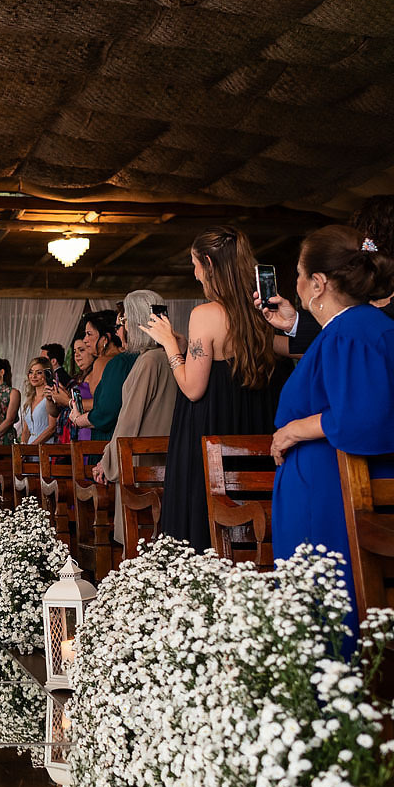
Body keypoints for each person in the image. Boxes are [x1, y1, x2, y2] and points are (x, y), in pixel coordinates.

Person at [270, 226, 394, 636]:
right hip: (324, 490)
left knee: (326, 616)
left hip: (329, 500)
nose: (297, 286)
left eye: (300, 276)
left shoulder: (352, 330)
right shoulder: (353, 327)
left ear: (318, 283)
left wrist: (292, 431)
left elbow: (362, 418)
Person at [142, 225, 281, 552]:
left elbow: (193, 388)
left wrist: (168, 346)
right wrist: (186, 346)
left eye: (194, 264)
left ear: (208, 262)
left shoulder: (205, 314)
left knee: (201, 525)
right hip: (250, 430)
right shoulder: (257, 313)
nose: (194, 273)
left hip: (209, 432)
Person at [92, 291, 179, 545]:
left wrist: (106, 462)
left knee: (137, 543)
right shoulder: (172, 356)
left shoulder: (149, 361)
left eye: (123, 323)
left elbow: (129, 420)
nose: (120, 331)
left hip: (142, 466)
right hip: (167, 462)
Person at [258, 195, 394, 356]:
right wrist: (293, 323)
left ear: (318, 283)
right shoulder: (354, 320)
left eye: (300, 273)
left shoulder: (360, 329)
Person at [70, 311, 137, 441]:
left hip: (109, 435)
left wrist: (77, 418)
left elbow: (103, 407)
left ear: (105, 339)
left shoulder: (105, 362)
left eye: (89, 334)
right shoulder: (133, 357)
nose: (85, 340)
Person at [47, 336, 94, 443]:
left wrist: (68, 400)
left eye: (81, 350)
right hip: (75, 432)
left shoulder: (96, 374)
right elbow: (54, 412)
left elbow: (99, 405)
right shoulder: (78, 377)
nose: (76, 355)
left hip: (90, 433)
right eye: (74, 351)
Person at [20, 357, 59, 445]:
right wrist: (22, 448)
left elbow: (52, 428)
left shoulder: (51, 396)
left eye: (39, 373)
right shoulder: (30, 398)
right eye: (31, 372)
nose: (33, 376)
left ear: (47, 374)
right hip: (29, 447)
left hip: (45, 446)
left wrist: (32, 447)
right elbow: (26, 430)